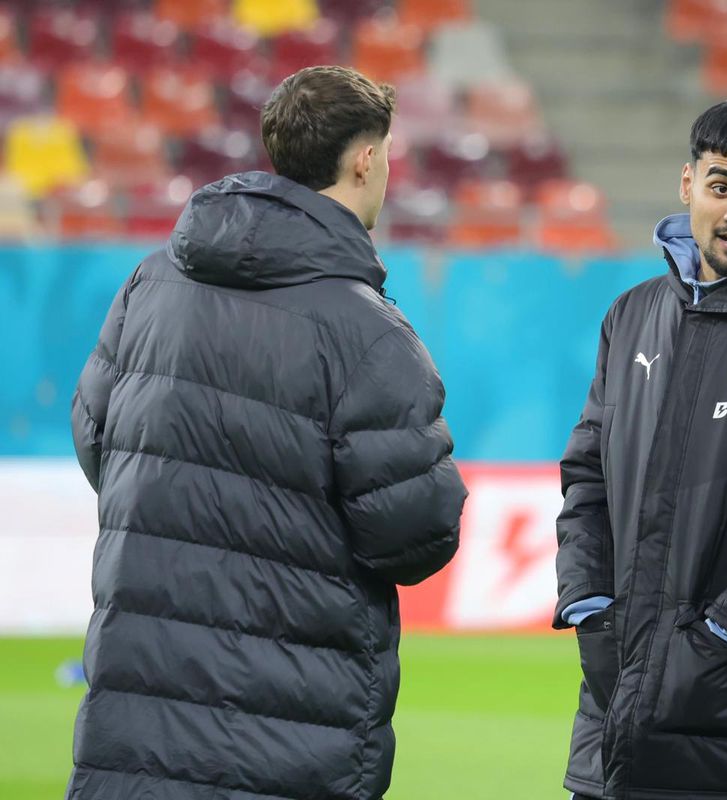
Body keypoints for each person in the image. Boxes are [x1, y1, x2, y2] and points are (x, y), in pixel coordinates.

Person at [65, 66, 467, 800]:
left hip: (139, 705)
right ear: (366, 159)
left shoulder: (150, 284)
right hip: (291, 726)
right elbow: (415, 535)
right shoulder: (370, 335)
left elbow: (96, 437)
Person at [553, 99, 727, 800]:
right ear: (687, 182)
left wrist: (722, 638)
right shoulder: (633, 314)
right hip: (613, 702)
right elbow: (587, 478)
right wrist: (588, 603)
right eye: (723, 186)